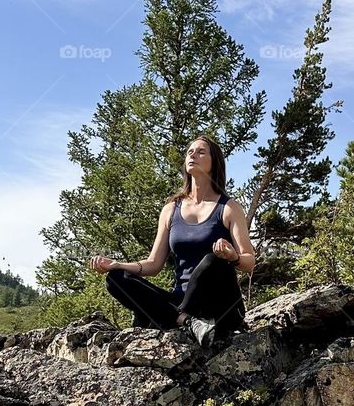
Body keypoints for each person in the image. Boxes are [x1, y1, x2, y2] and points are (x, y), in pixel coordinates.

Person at [89, 135, 256, 347]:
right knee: (116, 278)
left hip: (220, 307)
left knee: (212, 261)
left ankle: (169, 317)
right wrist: (118, 264)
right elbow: (153, 264)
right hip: (182, 301)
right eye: (190, 152)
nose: (192, 154)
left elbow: (249, 262)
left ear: (215, 162)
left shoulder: (229, 208)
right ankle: (184, 320)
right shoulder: (171, 209)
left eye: (200, 151)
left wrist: (232, 256)